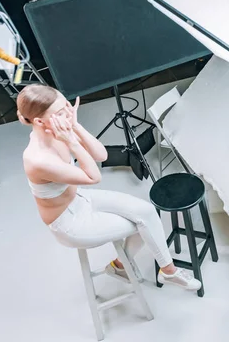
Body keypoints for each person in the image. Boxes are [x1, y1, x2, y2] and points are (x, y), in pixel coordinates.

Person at [18, 84, 201, 290]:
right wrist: (72, 142)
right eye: (61, 112)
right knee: (143, 225)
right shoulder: (38, 159)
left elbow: (101, 155)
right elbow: (94, 176)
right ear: (39, 121)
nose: (68, 113)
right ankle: (148, 269)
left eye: (67, 106)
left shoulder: (58, 129)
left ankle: (154, 270)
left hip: (79, 199)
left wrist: (75, 126)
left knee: (147, 213)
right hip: (69, 223)